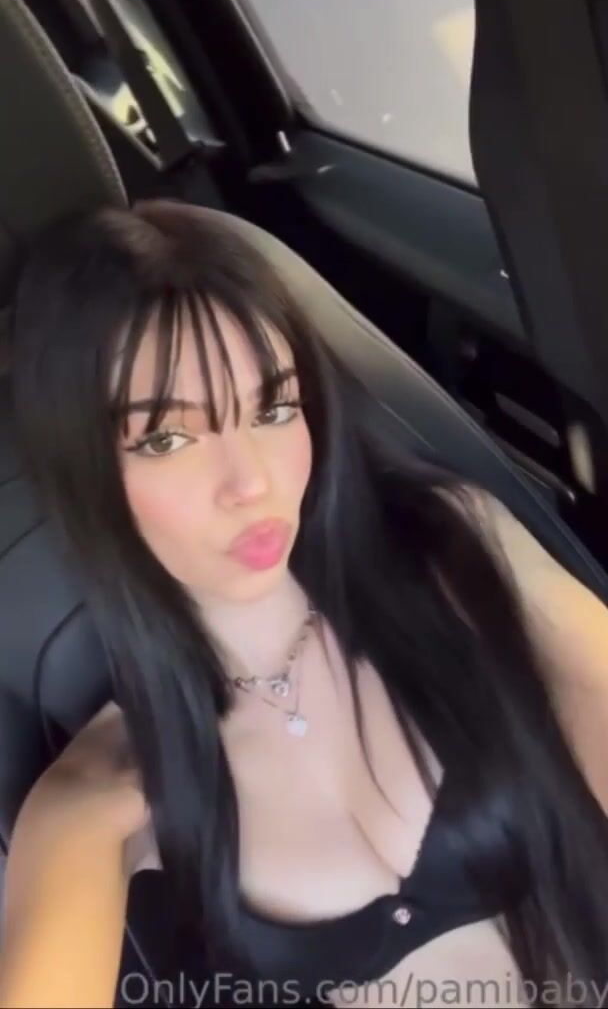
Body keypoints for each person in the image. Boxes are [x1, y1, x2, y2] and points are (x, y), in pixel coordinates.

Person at [2, 199, 608, 1009]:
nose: (251, 481)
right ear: (86, 473)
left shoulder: (448, 553)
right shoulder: (106, 791)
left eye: (273, 409)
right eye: (168, 438)